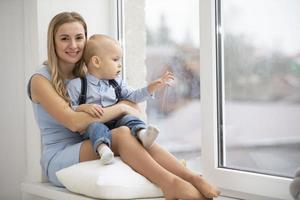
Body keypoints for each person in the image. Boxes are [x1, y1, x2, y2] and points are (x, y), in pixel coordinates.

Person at [27, 11, 220, 199]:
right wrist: (120, 108)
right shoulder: (40, 80)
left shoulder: (90, 72)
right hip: (61, 155)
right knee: (121, 134)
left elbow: (130, 101)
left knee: (137, 135)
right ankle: (170, 184)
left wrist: (125, 106)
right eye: (64, 38)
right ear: (53, 42)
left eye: (79, 37)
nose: (73, 45)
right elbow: (74, 122)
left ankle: (191, 177)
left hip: (90, 141)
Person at [66, 34, 174, 165]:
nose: (120, 65)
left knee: (129, 118)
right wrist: (84, 107)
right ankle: (103, 149)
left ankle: (142, 133)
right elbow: (70, 110)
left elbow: (134, 96)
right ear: (96, 62)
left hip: (117, 123)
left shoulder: (117, 83)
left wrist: (152, 87)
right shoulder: (77, 85)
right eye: (115, 60)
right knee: (96, 127)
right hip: (93, 125)